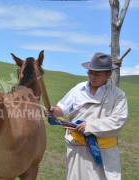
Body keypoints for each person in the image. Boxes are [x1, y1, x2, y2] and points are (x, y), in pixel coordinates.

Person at [47, 52, 128, 180]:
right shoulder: (78, 89)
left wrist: (89, 126)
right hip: (77, 150)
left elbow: (117, 122)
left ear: (109, 74)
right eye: (90, 72)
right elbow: (63, 108)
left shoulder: (118, 95)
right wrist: (53, 110)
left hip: (104, 152)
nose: (92, 76)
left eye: (97, 73)